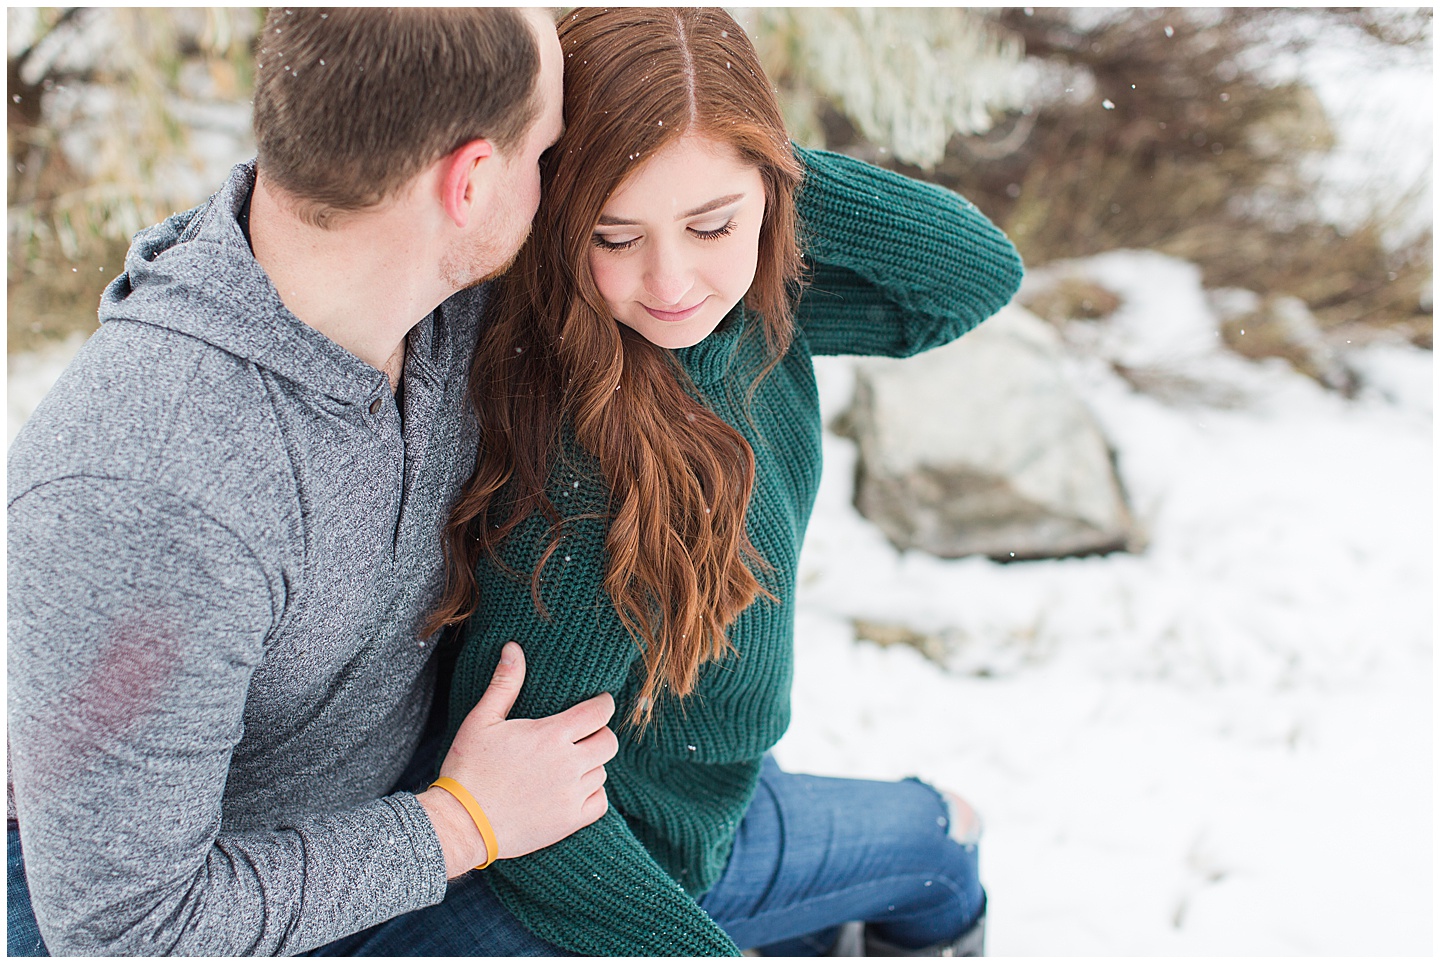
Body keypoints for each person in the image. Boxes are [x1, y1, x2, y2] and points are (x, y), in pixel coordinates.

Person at [7, 8, 616, 956]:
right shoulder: (151, 489)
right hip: (231, 907)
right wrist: (461, 823)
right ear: (473, 181)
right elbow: (126, 935)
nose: (559, 190)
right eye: (548, 155)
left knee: (916, 851)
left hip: (400, 791)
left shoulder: (433, 298)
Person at [425, 7, 1024, 957]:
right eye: (614, 237)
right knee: (946, 842)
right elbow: (529, 826)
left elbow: (971, 275)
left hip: (713, 771)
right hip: (651, 851)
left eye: (711, 224)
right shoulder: (586, 476)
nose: (670, 281)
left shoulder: (745, 310)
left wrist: (720, 138)